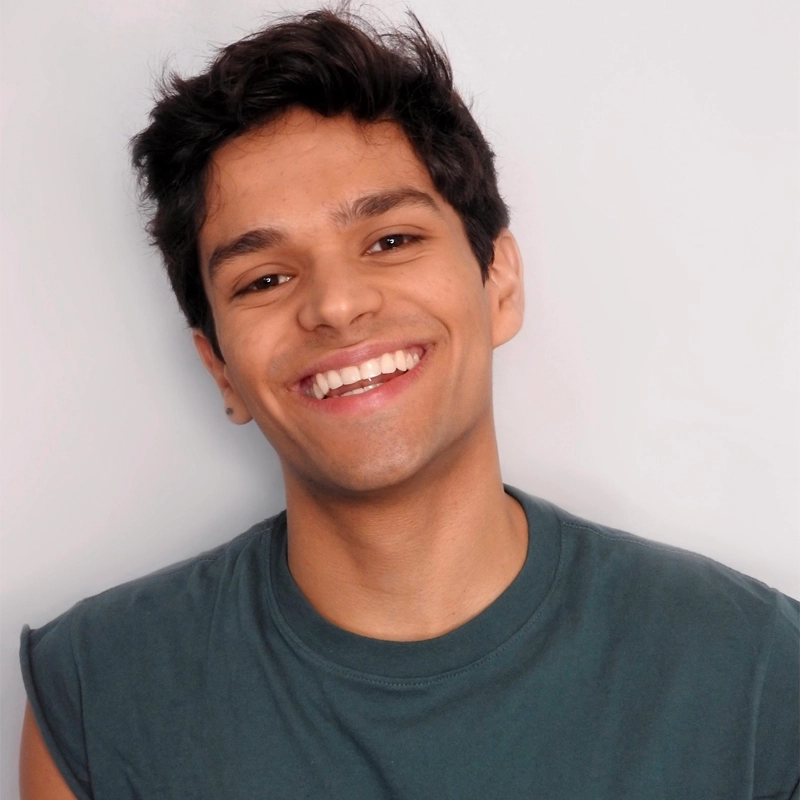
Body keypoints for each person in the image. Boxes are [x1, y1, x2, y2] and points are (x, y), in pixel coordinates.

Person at [19, 8, 799, 799]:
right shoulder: (96, 696)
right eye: (264, 279)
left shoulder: (759, 678)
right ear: (220, 368)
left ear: (499, 284)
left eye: (390, 241)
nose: (337, 305)